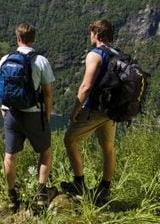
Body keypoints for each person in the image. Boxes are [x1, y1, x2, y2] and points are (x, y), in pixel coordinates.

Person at [0, 22, 57, 211]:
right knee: (45, 151)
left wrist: (2, 108)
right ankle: (41, 194)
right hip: (33, 115)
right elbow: (47, 94)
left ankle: (12, 196)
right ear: (33, 38)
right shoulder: (41, 61)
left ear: (18, 38)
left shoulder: (6, 58)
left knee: (10, 155)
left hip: (11, 114)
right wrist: (46, 115)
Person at [61, 19, 116, 205]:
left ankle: (78, 183)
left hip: (95, 109)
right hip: (112, 111)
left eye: (92, 32)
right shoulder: (116, 54)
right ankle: (104, 189)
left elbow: (86, 86)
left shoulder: (95, 54)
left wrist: (75, 109)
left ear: (97, 34)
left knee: (69, 139)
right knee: (108, 148)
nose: (90, 35)